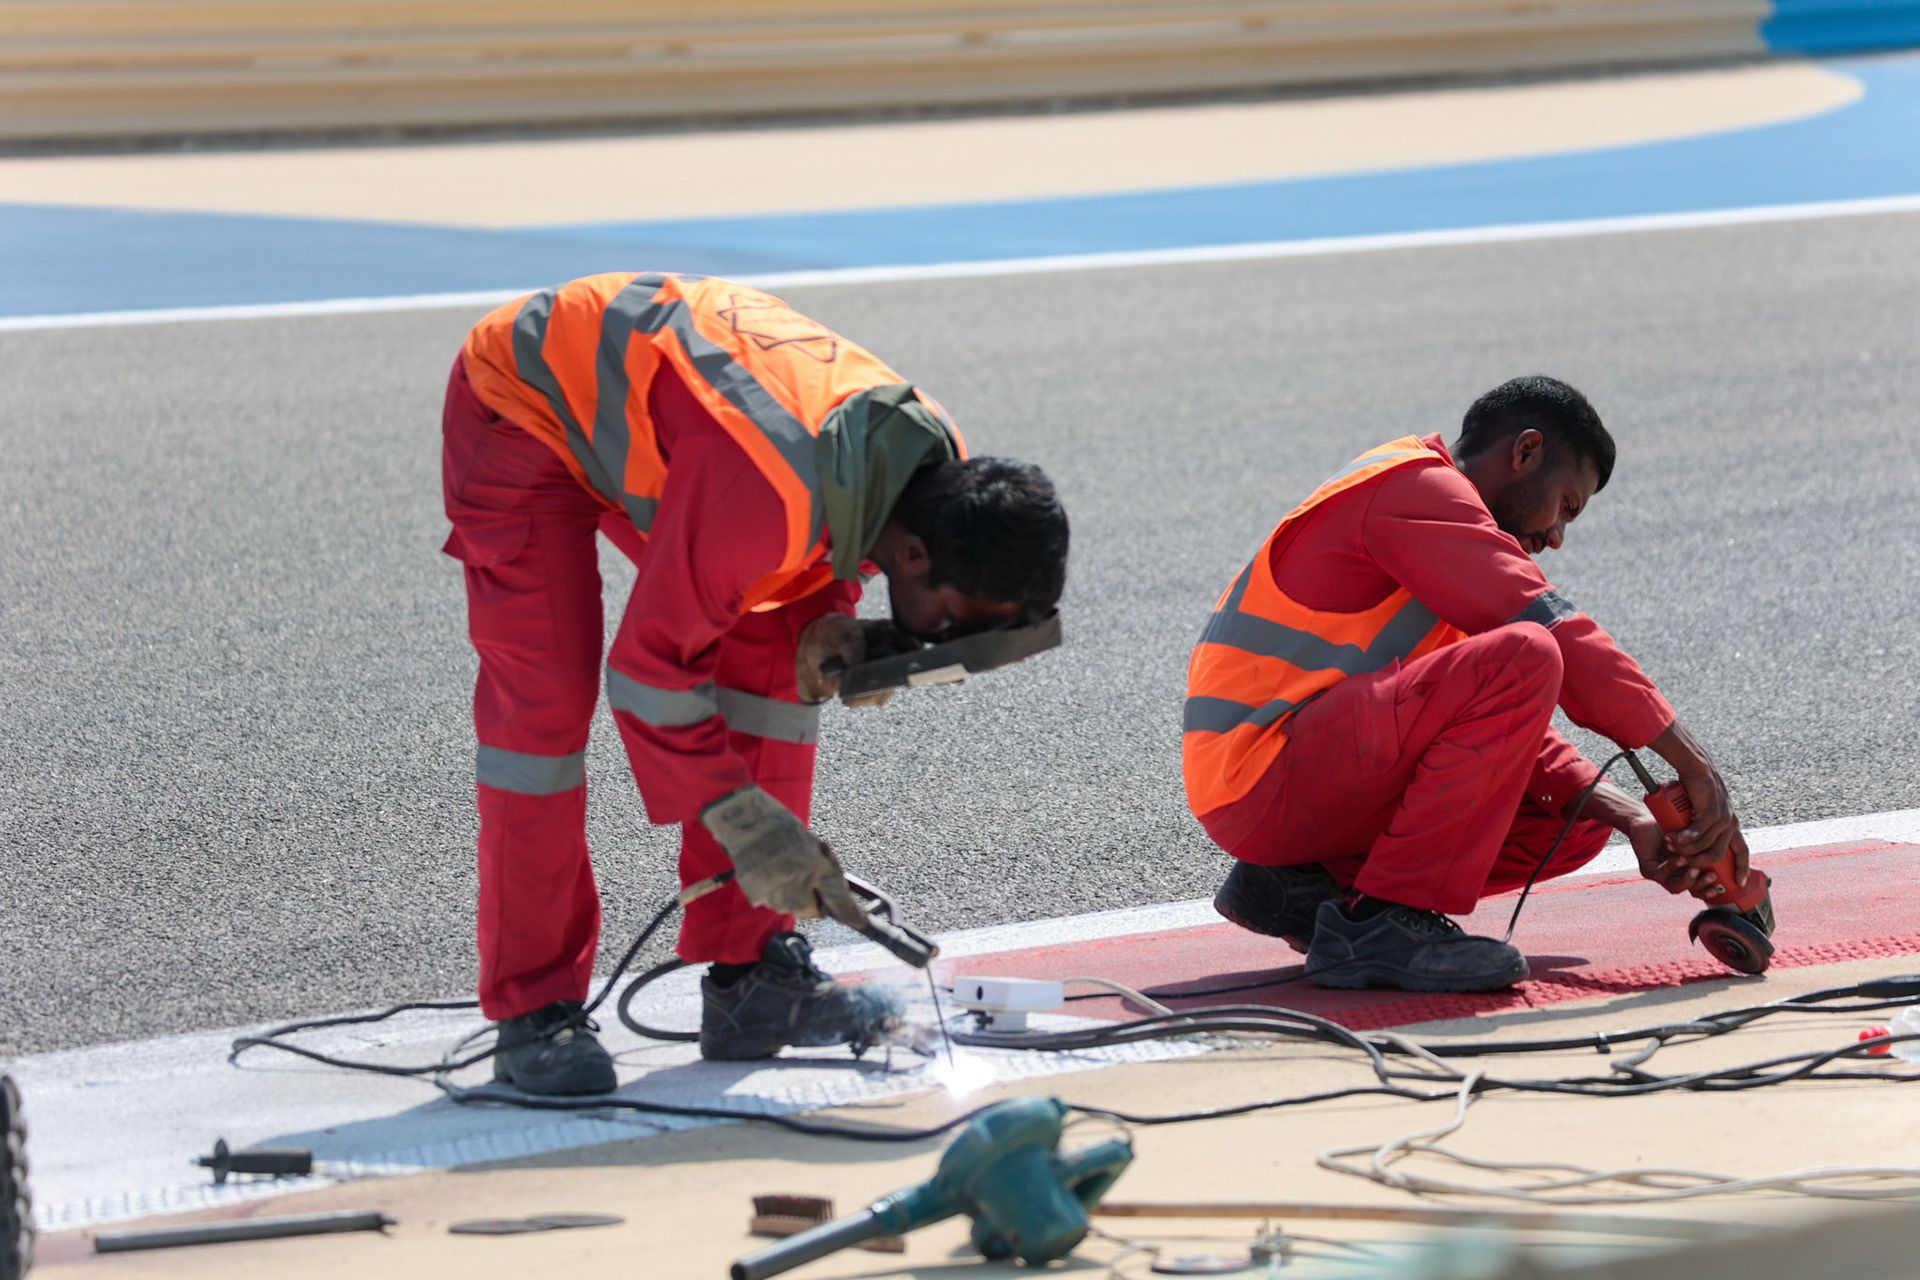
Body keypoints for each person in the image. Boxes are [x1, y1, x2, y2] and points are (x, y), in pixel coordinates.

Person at [442, 271, 1068, 1093]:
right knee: (542, 719)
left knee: (779, 657)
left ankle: (752, 978)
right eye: (951, 620)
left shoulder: (933, 462)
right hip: (527, 404)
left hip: (680, 432)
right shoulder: (765, 493)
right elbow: (650, 672)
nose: (940, 641)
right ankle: (534, 1008)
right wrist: (745, 824)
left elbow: (840, 537)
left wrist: (828, 620)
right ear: (915, 556)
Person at [1183, 376, 1747, 992]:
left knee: (1577, 819)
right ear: (1525, 451)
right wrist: (1694, 765)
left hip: (1296, 782)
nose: (1557, 537)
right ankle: (1382, 922)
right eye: (1566, 505)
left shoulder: (1443, 541)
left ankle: (1304, 889)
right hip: (1261, 776)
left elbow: (1493, 731)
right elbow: (1553, 633)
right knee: (1529, 651)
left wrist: (1632, 817)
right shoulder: (1413, 486)